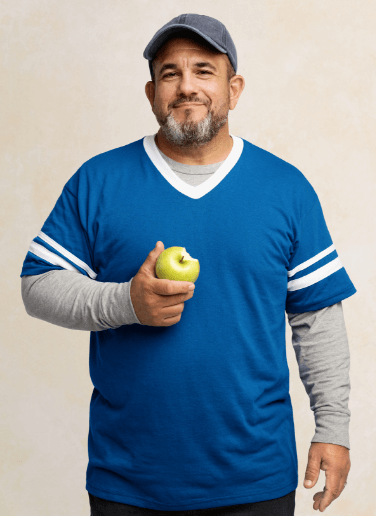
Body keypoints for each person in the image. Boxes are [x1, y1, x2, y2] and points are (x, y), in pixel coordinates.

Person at [20, 13, 355, 516]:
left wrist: (333, 428)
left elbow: (317, 318)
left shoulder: (286, 189)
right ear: (152, 91)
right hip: (127, 478)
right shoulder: (99, 181)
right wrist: (126, 302)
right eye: (170, 73)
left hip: (255, 478)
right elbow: (37, 285)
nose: (186, 86)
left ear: (233, 88)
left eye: (204, 70)